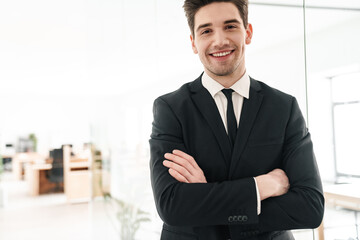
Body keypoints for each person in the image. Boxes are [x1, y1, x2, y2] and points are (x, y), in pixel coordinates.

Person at [149, 0, 324, 239]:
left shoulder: (284, 107)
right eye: (206, 30)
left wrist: (206, 199)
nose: (219, 40)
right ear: (193, 42)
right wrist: (262, 186)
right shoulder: (170, 109)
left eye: (230, 26)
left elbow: (310, 208)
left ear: (247, 33)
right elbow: (172, 205)